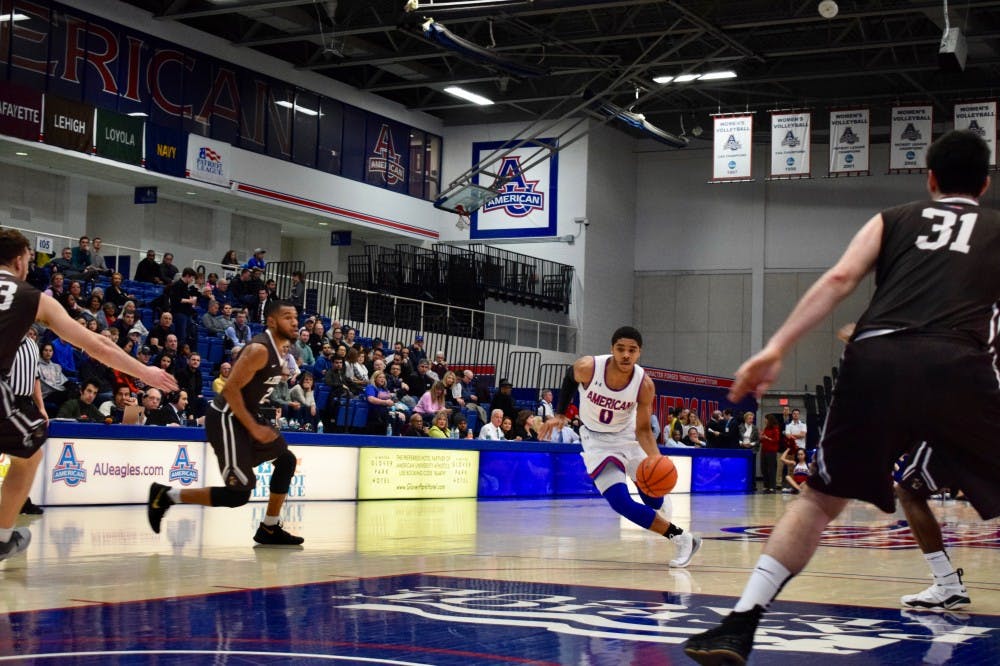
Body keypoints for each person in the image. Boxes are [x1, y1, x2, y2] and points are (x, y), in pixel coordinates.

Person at [683, 130, 1000, 664]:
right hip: (960, 363)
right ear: (986, 185)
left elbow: (840, 277)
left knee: (819, 501)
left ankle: (740, 624)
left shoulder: (894, 218)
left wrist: (776, 347)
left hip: (878, 358)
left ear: (930, 179)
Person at [0, 230, 177, 561]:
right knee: (30, 454)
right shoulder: (32, 296)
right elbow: (96, 344)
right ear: (20, 260)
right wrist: (145, 373)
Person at [538, 326, 701, 568]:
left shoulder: (643, 384)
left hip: (627, 437)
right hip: (595, 440)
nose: (626, 355)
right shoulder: (589, 367)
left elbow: (644, 430)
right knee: (620, 501)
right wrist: (560, 413)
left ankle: (659, 499)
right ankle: (683, 539)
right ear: (612, 349)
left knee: (652, 494)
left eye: (632, 350)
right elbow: (569, 377)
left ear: (639, 353)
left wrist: (657, 459)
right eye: (620, 349)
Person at [147, 299, 304, 546]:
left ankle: (270, 527)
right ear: (272, 322)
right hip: (227, 419)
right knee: (237, 495)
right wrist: (254, 428)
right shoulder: (259, 350)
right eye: (287, 316)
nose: (295, 321)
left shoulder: (278, 352)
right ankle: (165, 495)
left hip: (246, 417)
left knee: (286, 460)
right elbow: (230, 391)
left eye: (295, 316)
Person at [758, 413, 781, 494]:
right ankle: (766, 485)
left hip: (771, 451)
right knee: (763, 468)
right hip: (764, 450)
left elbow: (776, 440)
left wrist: (766, 438)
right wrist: (761, 437)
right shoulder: (766, 428)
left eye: (766, 419)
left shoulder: (775, 429)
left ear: (769, 420)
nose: (764, 420)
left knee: (771, 469)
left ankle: (772, 486)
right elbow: (762, 440)